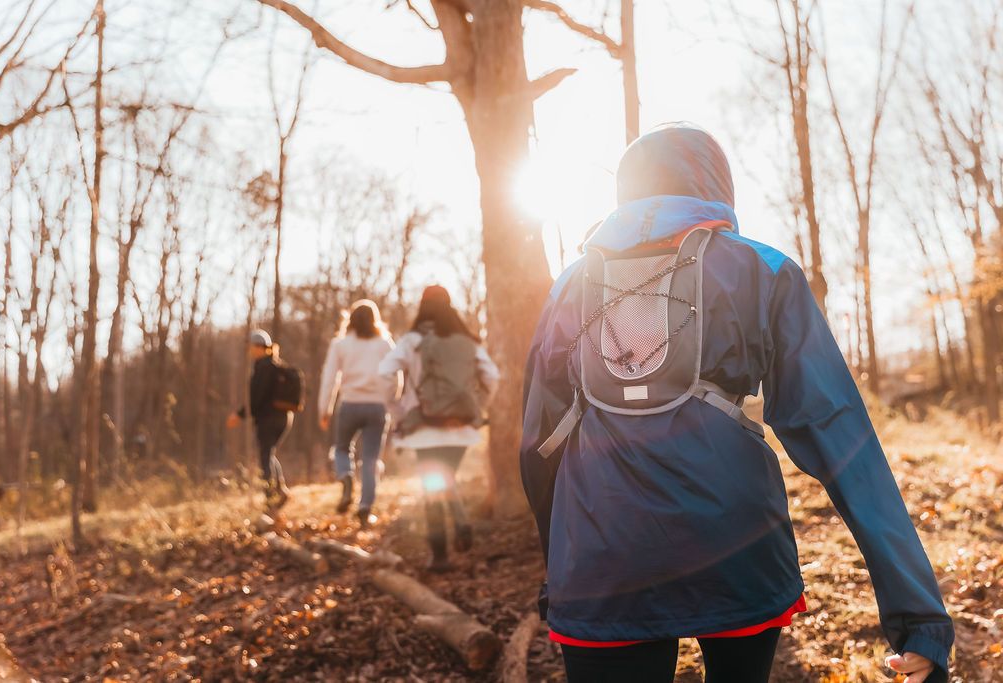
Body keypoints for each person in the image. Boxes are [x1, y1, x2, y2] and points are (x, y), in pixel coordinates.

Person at [520, 123, 953, 683]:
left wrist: (561, 569)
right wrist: (918, 619)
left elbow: (539, 446)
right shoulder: (763, 268)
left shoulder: (568, 286)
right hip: (736, 545)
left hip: (601, 559)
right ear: (715, 185)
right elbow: (841, 437)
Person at [379, 285, 499, 571]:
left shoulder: (412, 341)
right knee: (445, 478)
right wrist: (477, 407)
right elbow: (492, 376)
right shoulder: (467, 341)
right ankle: (459, 520)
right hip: (460, 426)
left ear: (422, 308)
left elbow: (384, 372)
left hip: (424, 426)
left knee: (432, 487)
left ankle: (441, 556)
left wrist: (396, 408)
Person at [318, 300, 395, 528]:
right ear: (375, 320)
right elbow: (395, 375)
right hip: (377, 407)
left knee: (342, 448)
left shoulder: (340, 344)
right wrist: (390, 399)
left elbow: (329, 378)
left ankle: (346, 477)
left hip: (350, 405)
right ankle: (365, 508)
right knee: (371, 459)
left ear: (349, 319)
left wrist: (324, 409)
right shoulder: (384, 344)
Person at [227, 329, 292, 511]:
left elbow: (256, 399)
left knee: (265, 457)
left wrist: (239, 415)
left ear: (258, 347)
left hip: (268, 420)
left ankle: (271, 499)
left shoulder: (263, 368)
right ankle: (281, 490)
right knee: (269, 454)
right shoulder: (277, 365)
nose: (249, 350)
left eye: (251, 347)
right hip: (284, 418)